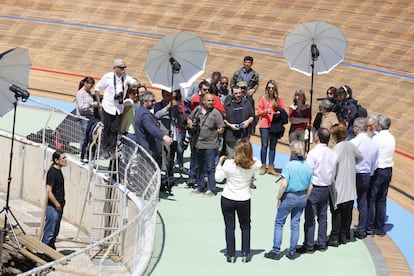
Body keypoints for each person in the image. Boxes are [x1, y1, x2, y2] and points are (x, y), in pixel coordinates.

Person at [264, 140, 312, 261]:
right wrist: (306, 196)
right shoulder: (307, 166)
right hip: (301, 196)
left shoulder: (289, 166)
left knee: (279, 223)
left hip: (289, 196)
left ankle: (276, 250)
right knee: (295, 224)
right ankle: (292, 251)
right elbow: (311, 184)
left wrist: (278, 197)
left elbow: (284, 184)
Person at [215, 138, 262, 263]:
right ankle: (246, 253)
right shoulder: (253, 165)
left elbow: (218, 178)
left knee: (229, 227)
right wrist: (249, 155)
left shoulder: (229, 164)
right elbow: (259, 162)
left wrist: (220, 163)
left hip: (228, 198)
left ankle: (230, 254)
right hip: (244, 199)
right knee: (245, 226)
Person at [298, 128, 337, 253]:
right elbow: (333, 172)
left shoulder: (313, 153)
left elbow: (308, 172)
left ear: (317, 138)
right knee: (323, 217)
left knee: (310, 218)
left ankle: (309, 245)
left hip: (314, 188)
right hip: (326, 188)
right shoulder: (332, 153)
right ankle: (321, 243)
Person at [328, 123, 363, 246]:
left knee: (337, 212)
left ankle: (334, 237)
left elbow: (332, 164)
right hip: (350, 183)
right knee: (348, 211)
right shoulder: (351, 145)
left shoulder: (337, 148)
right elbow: (360, 157)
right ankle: (344, 235)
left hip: (339, 185)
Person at [94, 58, 134, 159]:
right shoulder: (108, 77)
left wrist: (138, 84)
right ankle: (105, 149)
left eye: (124, 68)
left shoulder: (125, 77)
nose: (123, 70)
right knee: (107, 128)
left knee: (114, 130)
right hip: (108, 107)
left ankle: (112, 150)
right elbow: (97, 89)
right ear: (115, 68)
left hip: (118, 108)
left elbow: (132, 81)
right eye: (121, 68)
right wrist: (99, 103)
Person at [189, 93, 224, 196]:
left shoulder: (216, 113)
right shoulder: (197, 110)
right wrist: (190, 124)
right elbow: (189, 118)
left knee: (210, 168)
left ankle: (211, 188)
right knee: (199, 166)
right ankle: (200, 186)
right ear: (203, 101)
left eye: (212, 101)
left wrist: (220, 130)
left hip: (211, 145)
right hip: (198, 144)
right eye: (209, 101)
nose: (211, 102)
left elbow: (221, 126)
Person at [367, 114, 395, 236]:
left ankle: (370, 226)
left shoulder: (377, 139)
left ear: (379, 125)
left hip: (378, 170)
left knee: (372, 198)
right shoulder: (392, 137)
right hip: (388, 169)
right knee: (382, 199)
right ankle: (380, 227)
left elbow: (371, 155)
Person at [351, 117, 378, 239]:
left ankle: (345, 230)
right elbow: (375, 162)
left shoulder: (354, 142)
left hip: (354, 174)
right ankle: (362, 230)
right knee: (363, 202)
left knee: (348, 202)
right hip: (366, 174)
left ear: (357, 128)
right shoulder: (372, 142)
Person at [134, 91, 173, 165]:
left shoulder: (140, 111)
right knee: (148, 174)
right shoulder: (145, 114)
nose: (154, 102)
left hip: (144, 148)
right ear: (145, 102)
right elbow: (151, 127)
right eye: (152, 101)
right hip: (147, 150)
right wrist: (163, 136)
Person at [256, 79, 285, 176]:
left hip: (274, 125)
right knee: (264, 145)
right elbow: (258, 112)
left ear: (275, 89)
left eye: (272, 88)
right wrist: (265, 111)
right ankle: (263, 165)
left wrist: (278, 113)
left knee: (273, 145)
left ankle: (271, 166)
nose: (270, 90)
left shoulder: (278, 99)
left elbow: (282, 110)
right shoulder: (263, 98)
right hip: (264, 124)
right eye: (269, 88)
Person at [42, 150, 67, 249]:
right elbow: (48, 191)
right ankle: (44, 252)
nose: (65, 160)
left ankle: (51, 250)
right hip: (53, 207)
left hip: (59, 207)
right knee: (49, 232)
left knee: (55, 232)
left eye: (65, 158)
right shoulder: (52, 172)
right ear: (56, 160)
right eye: (63, 158)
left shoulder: (59, 171)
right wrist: (57, 204)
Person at [223, 85, 255, 158]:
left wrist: (247, 121)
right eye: (236, 93)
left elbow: (252, 116)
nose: (238, 95)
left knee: (244, 157)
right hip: (231, 136)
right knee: (231, 158)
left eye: (240, 93)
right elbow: (222, 119)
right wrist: (230, 125)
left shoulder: (246, 102)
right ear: (232, 94)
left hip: (244, 135)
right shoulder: (227, 104)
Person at [75, 76, 97, 152]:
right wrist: (91, 104)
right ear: (85, 83)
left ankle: (88, 151)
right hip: (83, 117)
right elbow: (81, 107)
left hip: (89, 117)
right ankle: (83, 151)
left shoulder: (89, 93)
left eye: (92, 85)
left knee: (89, 135)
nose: (91, 87)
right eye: (90, 85)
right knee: (85, 135)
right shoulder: (80, 93)